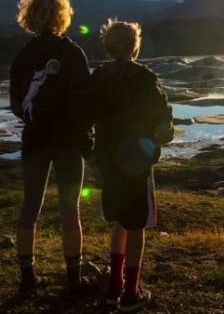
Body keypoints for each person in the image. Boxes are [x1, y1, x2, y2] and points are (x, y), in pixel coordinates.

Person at [9, 0, 92, 295]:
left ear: (29, 17)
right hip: (69, 141)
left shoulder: (22, 57)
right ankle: (74, 279)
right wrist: (85, 135)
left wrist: (35, 119)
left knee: (30, 204)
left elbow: (17, 104)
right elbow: (86, 100)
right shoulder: (73, 53)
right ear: (63, 16)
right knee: (71, 209)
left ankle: (27, 276)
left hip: (35, 139)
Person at [90, 19, 173, 312]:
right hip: (137, 162)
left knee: (120, 221)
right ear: (135, 46)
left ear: (108, 47)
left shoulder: (98, 76)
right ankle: (131, 293)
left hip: (109, 161)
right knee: (137, 225)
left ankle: (114, 288)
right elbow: (162, 119)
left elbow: (88, 115)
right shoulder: (145, 77)